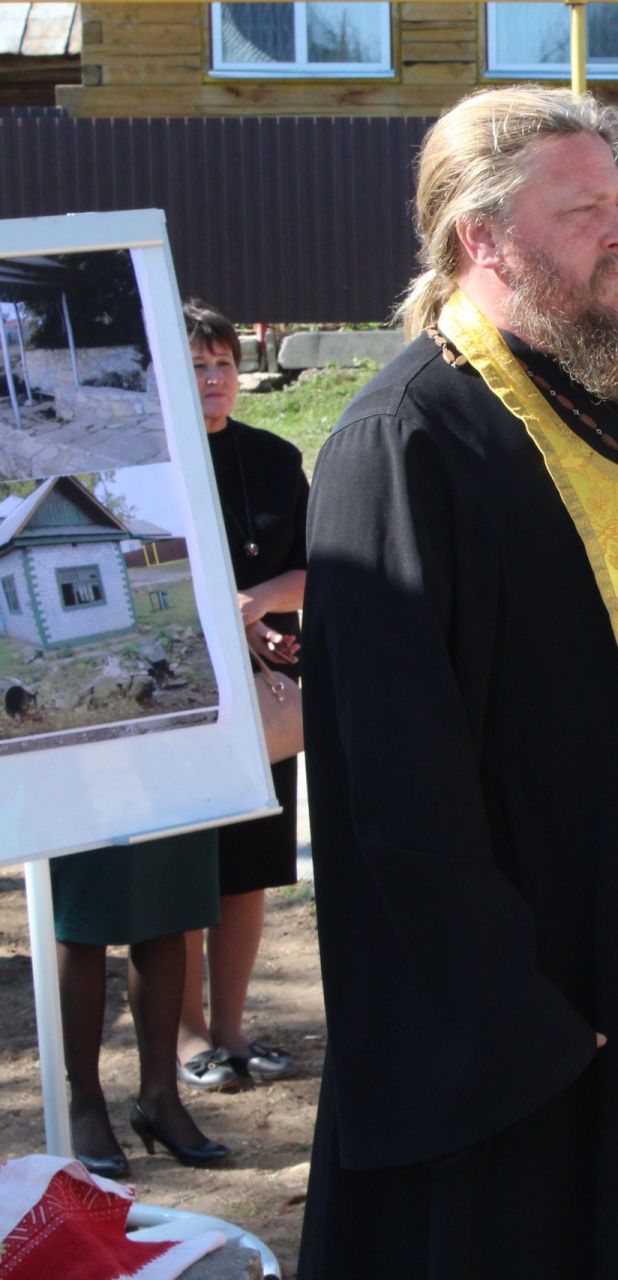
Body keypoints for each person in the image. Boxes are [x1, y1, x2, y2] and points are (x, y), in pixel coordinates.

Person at [297, 86, 618, 1278]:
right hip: (549, 1024)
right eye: (585, 213)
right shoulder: (408, 438)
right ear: (483, 237)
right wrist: (521, 1021)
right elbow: (390, 781)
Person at [173, 301, 307, 1092]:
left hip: (266, 697)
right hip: (186, 697)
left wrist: (254, 607)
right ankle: (187, 1034)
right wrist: (223, 616)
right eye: (196, 365)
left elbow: (317, 569)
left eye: (222, 363)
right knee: (188, 869)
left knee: (248, 868)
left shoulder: (275, 457)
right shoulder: (152, 467)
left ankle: (232, 1029)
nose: (215, 378)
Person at [53, 833, 230, 1176]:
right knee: (81, 902)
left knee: (165, 899)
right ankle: (85, 1103)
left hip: (167, 779)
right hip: (76, 783)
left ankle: (160, 1098)